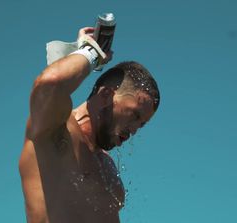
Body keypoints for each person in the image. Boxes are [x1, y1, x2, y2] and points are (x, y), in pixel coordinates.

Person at [19, 27, 160, 223]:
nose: (134, 129)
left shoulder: (107, 166)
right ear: (105, 95)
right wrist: (90, 52)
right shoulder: (56, 132)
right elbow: (51, 83)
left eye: (142, 124)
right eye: (134, 115)